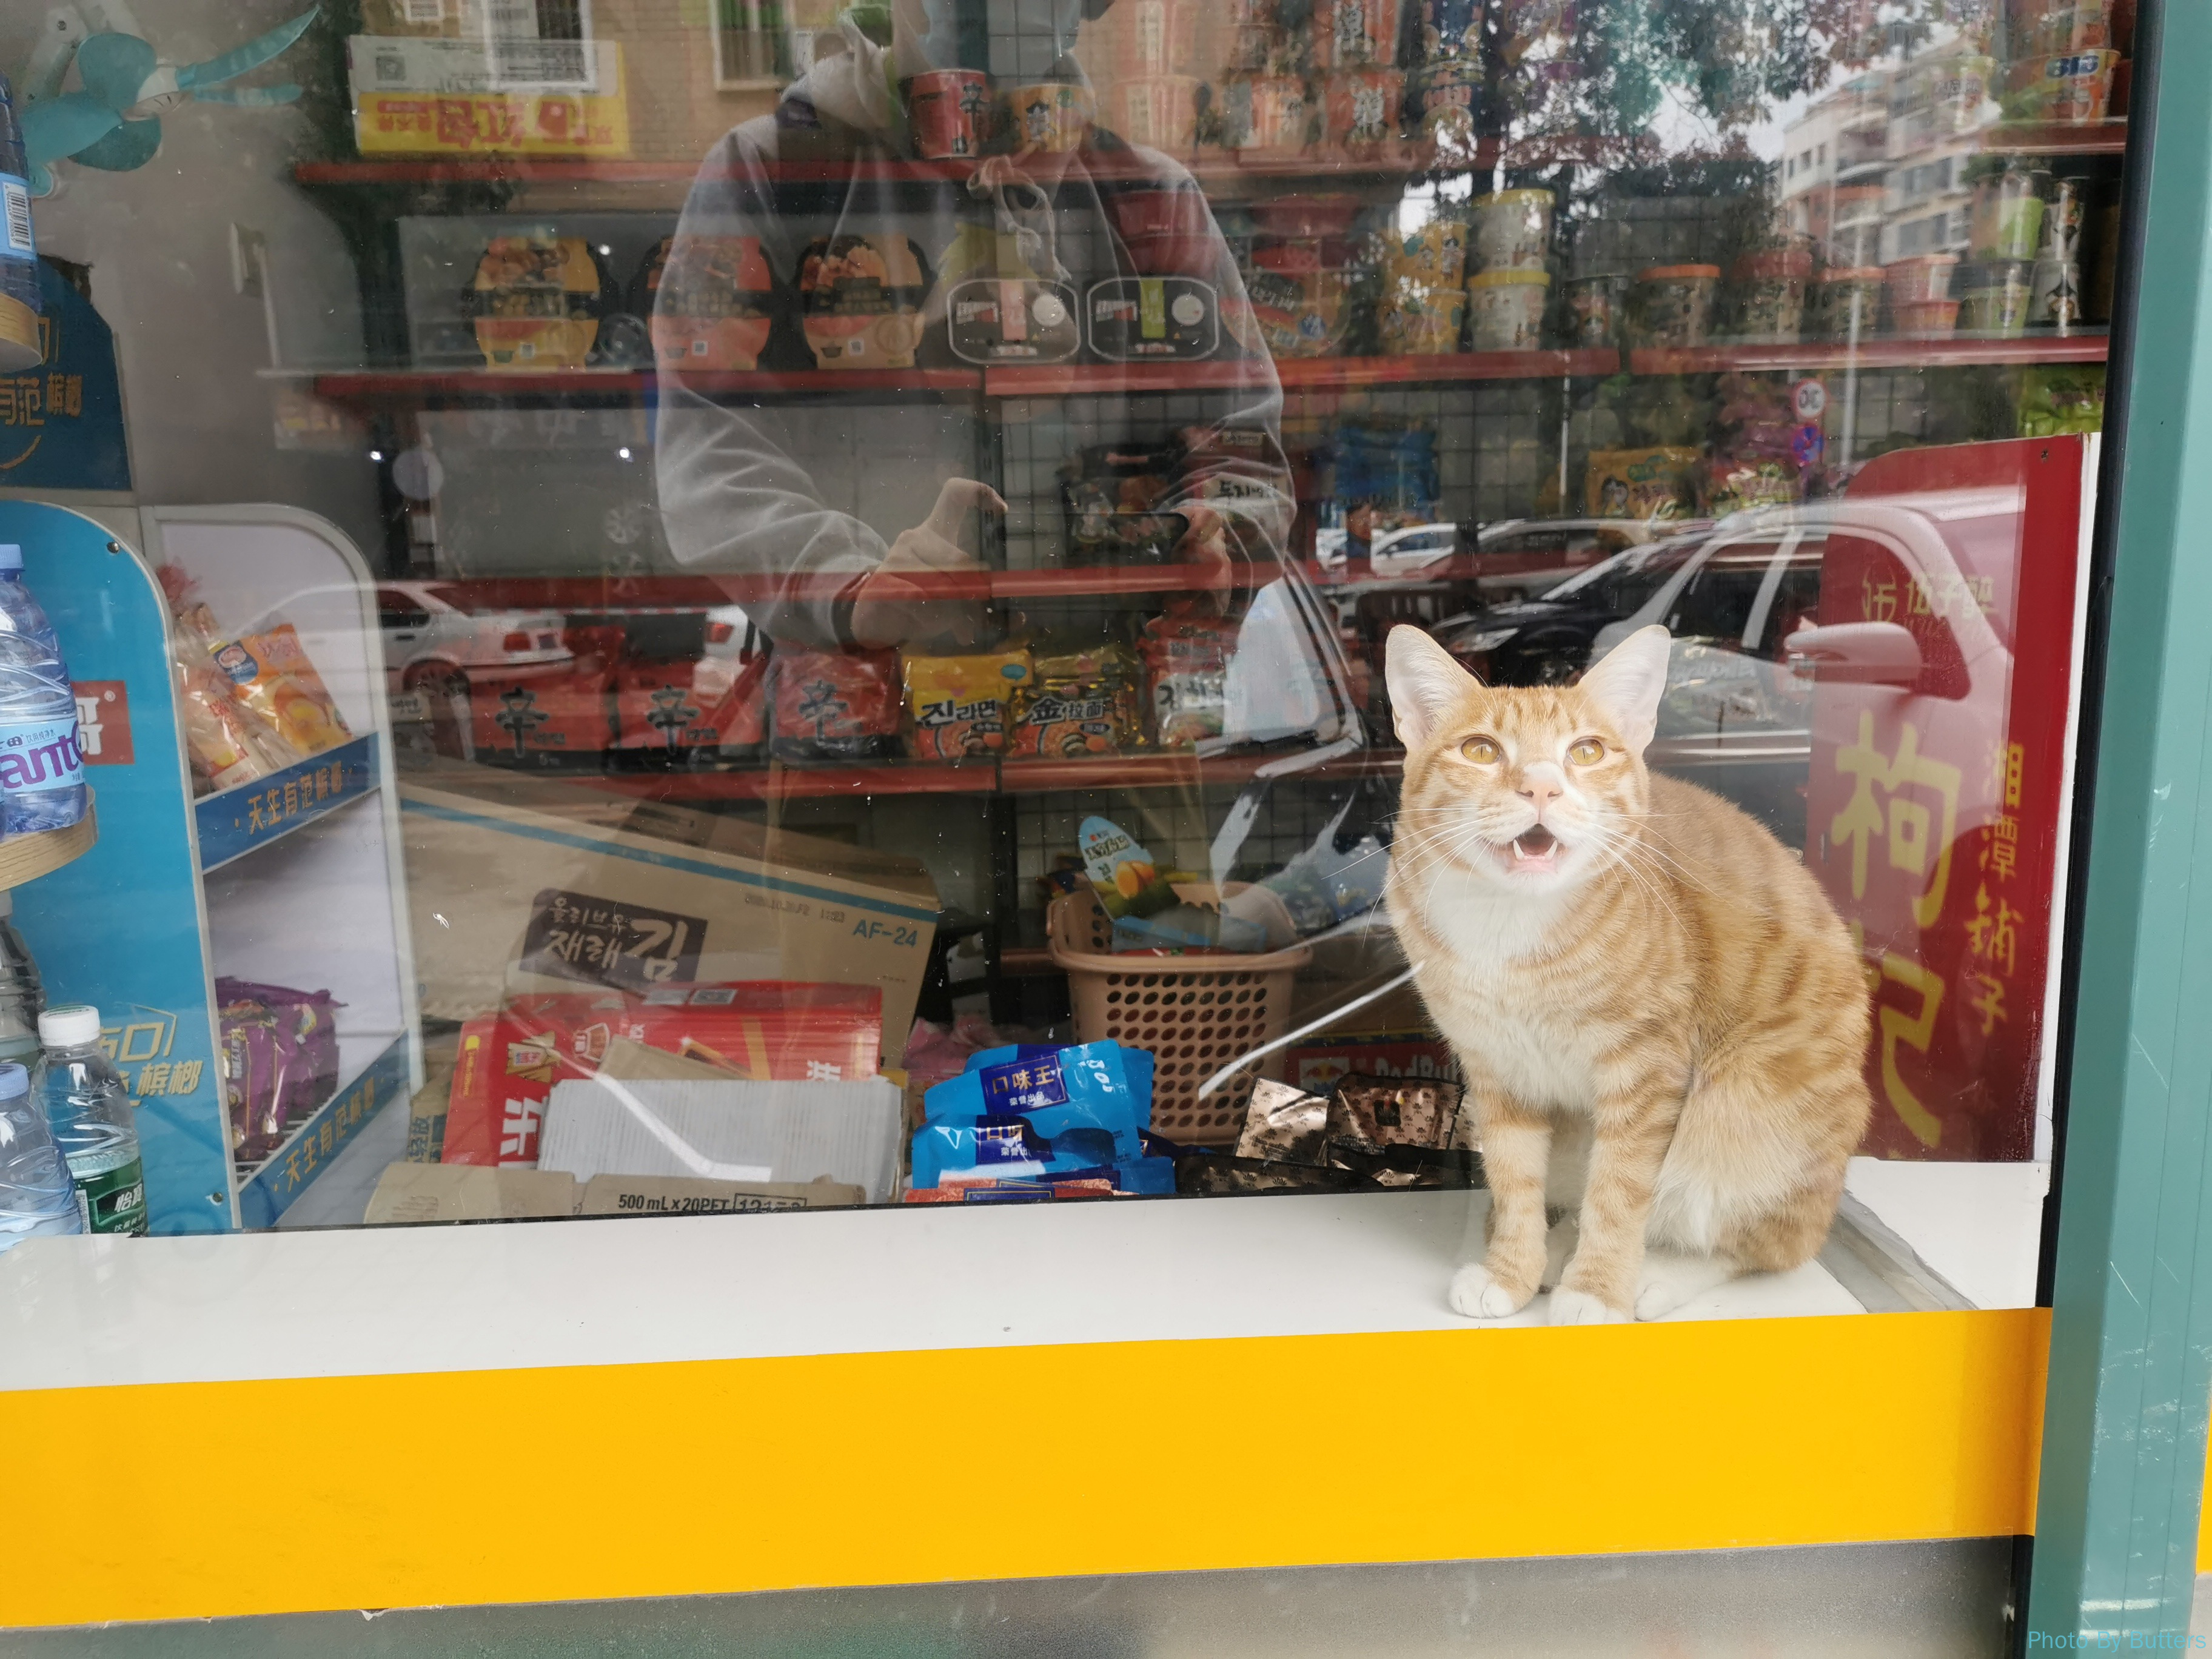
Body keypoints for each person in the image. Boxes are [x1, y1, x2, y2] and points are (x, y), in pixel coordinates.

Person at [651, 0, 1303, 662]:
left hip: (1102, 690)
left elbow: (1240, 440)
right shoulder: (772, 171)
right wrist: (848, 587)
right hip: (859, 688)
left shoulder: (1149, 198)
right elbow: (713, 443)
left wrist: (1210, 532)